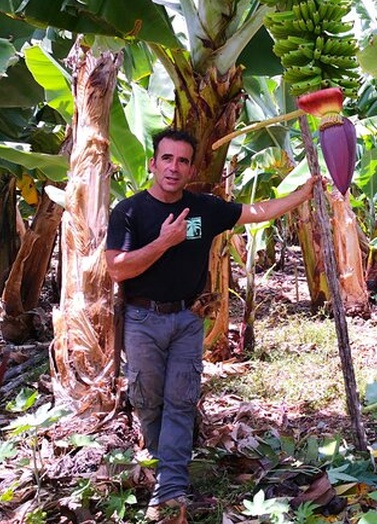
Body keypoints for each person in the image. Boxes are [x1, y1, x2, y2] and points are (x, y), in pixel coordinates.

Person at [105, 128, 317, 520]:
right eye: (167, 159)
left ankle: (171, 487)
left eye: (182, 161)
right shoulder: (130, 212)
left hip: (187, 319)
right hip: (142, 319)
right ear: (153, 164)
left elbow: (256, 211)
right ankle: (161, 462)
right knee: (147, 401)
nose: (174, 167)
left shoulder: (203, 210)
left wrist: (301, 194)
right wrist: (164, 242)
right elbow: (117, 269)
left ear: (191, 169)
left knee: (181, 400)